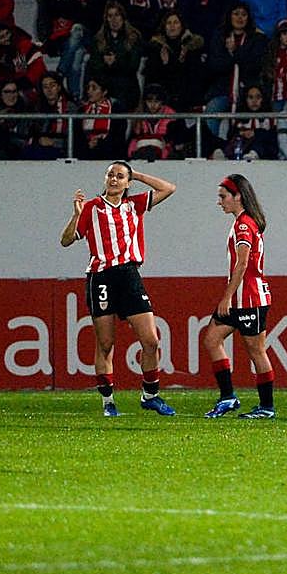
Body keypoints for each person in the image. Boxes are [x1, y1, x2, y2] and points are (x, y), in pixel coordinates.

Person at [59, 162, 178, 417]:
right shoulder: (91, 207)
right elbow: (66, 240)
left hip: (129, 275)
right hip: (100, 277)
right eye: (110, 175)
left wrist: (137, 174)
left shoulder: (134, 205)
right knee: (105, 343)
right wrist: (76, 215)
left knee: (151, 340)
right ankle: (108, 402)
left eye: (120, 176)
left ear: (128, 182)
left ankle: (150, 395)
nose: (113, 179)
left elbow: (169, 188)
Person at [201, 175, 277, 419]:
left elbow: (243, 264)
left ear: (238, 197)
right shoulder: (242, 222)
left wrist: (226, 297)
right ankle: (228, 397)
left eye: (223, 197)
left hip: (250, 299)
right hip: (240, 299)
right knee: (211, 339)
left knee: (256, 352)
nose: (219, 202)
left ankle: (266, 407)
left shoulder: (244, 225)